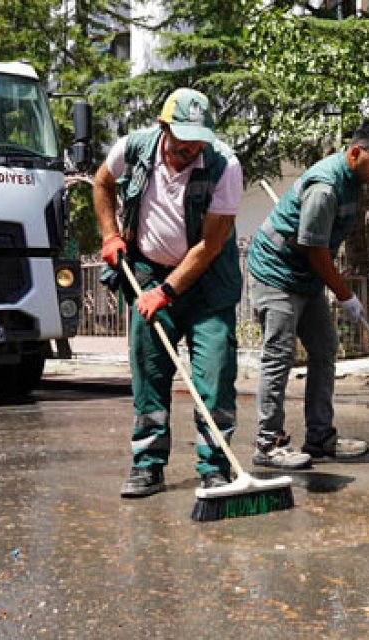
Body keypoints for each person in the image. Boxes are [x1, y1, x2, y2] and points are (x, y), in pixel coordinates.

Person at [93, 88, 245, 497]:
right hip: (146, 274)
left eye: (197, 142)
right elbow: (102, 183)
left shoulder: (224, 165)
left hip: (207, 285)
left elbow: (210, 246)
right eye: (181, 144)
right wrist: (110, 235)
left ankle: (215, 467)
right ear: (163, 129)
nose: (189, 151)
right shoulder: (134, 148)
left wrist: (167, 291)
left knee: (214, 377)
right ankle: (147, 465)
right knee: (150, 375)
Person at [246, 120, 369, 469]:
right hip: (276, 272)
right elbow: (315, 249)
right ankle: (268, 444)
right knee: (279, 355)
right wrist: (345, 294)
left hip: (305, 274)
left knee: (324, 348)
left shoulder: (356, 180)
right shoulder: (326, 187)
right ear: (355, 153)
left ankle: (319, 438)